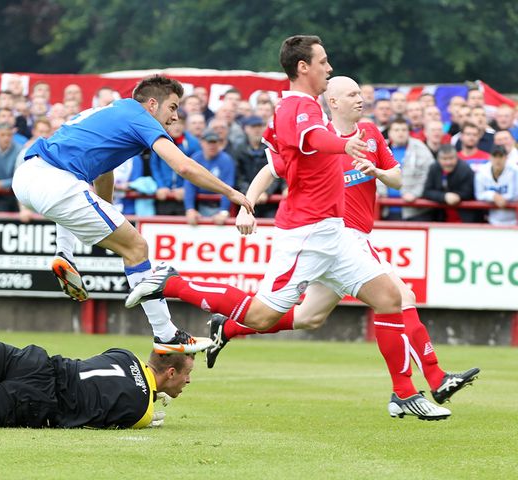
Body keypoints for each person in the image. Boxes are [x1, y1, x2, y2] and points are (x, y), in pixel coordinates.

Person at [126, 39, 449, 420]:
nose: (328, 68)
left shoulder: (308, 108)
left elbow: (287, 155)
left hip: (335, 233)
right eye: (323, 62)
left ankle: (404, 393)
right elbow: (313, 139)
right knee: (261, 316)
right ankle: (172, 282)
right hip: (308, 233)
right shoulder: (295, 106)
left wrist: (339, 147)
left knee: (391, 299)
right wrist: (346, 145)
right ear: (302, 68)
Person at [202, 78, 479, 410]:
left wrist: (375, 169)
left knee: (308, 317)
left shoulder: (372, 135)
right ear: (332, 102)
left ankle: (228, 328)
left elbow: (397, 178)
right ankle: (433, 379)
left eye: (360, 94)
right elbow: (269, 170)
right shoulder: (319, 139)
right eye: (352, 94)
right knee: (401, 296)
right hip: (338, 236)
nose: (360, 99)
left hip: (352, 239)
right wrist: (247, 206)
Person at [12, 75, 252, 354]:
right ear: (152, 104)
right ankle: (167, 335)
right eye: (172, 107)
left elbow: (104, 171)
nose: (175, 117)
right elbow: (183, 167)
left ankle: (65, 254)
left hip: (29, 177)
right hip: (56, 183)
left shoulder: (115, 111)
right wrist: (232, 193)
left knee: (80, 197)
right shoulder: (140, 118)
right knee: (137, 247)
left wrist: (107, 212)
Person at [0, 270, 193, 431]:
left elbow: (117, 380)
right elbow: (106, 414)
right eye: (187, 374)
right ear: (170, 372)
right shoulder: (142, 412)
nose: (188, 382)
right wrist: (146, 404)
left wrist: (147, 391)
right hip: (39, 400)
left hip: (35, 363)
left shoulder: (125, 355)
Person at [184, 128, 236, 225]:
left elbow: (228, 185)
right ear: (202, 143)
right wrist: (190, 209)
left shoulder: (226, 160)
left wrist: (224, 211)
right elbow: (189, 184)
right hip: (200, 206)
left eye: (215, 142)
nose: (212, 145)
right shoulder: (195, 158)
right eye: (209, 142)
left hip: (219, 205)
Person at [422, 144, 480, 223]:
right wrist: (444, 196)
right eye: (444, 159)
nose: (448, 162)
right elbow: (427, 191)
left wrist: (457, 196)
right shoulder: (434, 168)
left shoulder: (465, 169)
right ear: (438, 159)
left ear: (456, 158)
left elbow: (470, 192)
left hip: (465, 218)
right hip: (440, 217)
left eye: (451, 158)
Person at [475, 145, 518, 226]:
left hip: (514, 220)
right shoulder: (482, 172)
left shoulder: (515, 170)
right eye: (495, 156)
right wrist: (492, 195)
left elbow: (515, 195)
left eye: (501, 156)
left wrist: (502, 198)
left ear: (506, 158)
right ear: (490, 157)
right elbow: (479, 194)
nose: (498, 160)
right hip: (492, 220)